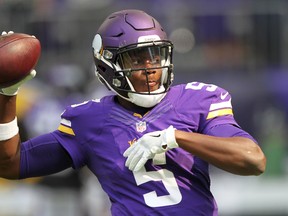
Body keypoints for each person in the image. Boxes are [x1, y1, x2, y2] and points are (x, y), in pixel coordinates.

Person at [0, 9, 266, 215]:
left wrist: (175, 138)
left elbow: (253, 160)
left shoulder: (198, 100)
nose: (150, 67)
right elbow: (12, 164)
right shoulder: (88, 120)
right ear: (108, 66)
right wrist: (7, 94)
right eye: (136, 59)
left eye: (156, 55)